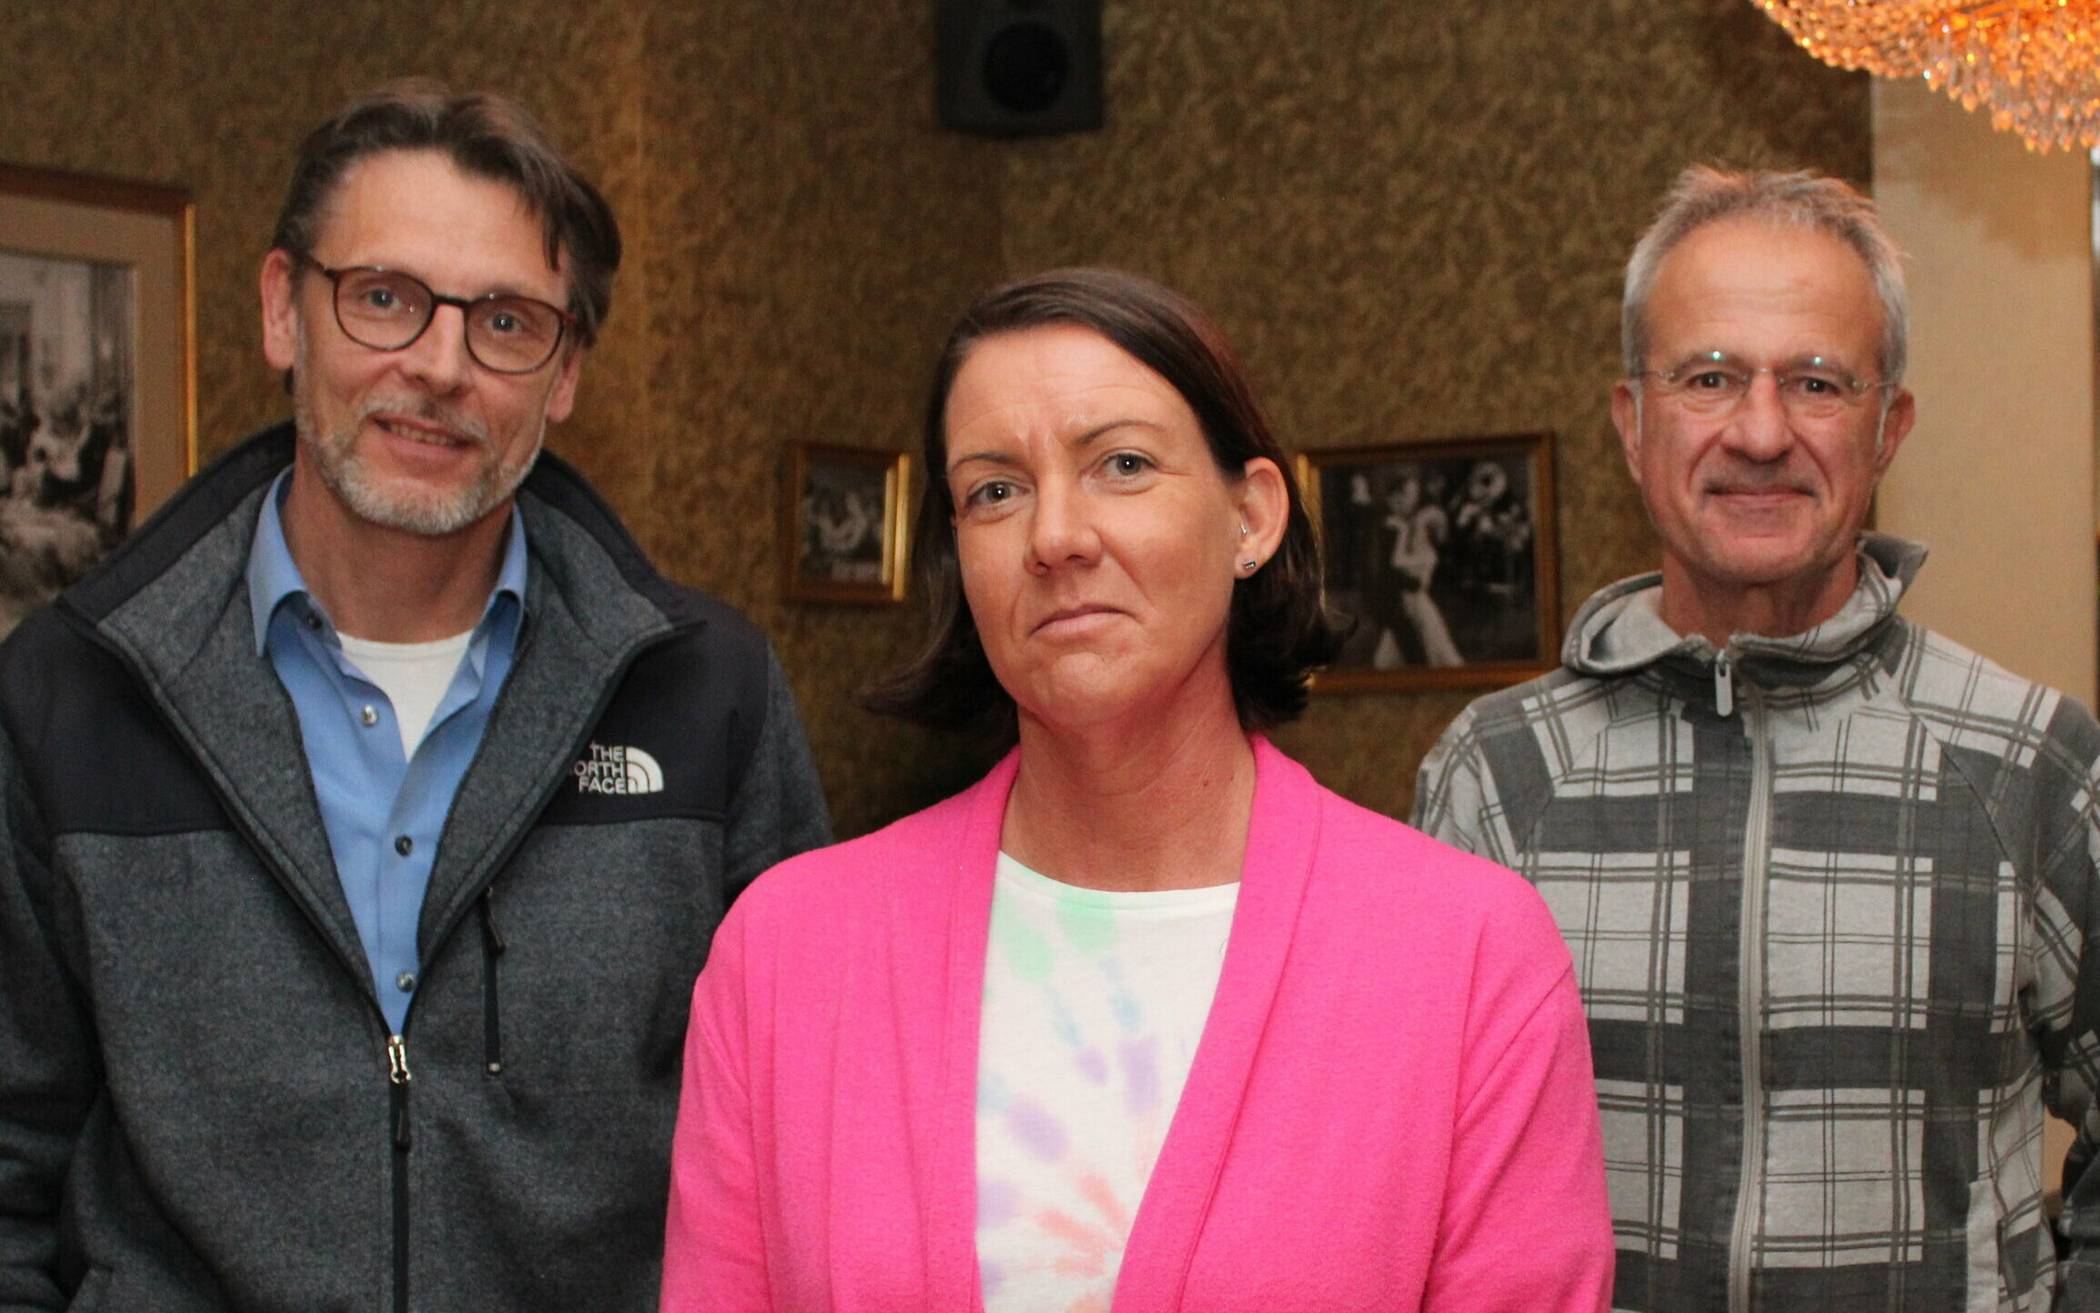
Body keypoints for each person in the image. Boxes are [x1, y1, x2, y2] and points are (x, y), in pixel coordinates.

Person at [0, 81, 831, 1312]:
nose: (439, 367)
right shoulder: (68, 695)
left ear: (563, 374)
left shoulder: (706, 695)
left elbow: (805, 1148)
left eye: (506, 322)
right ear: (286, 309)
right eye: (383, 299)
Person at [661, 267, 1614, 1311]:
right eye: (994, 488)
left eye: (1121, 463)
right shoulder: (789, 953)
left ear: (1250, 515)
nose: (1055, 535)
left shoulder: (1469, 956)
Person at [1414, 165, 2100, 1312]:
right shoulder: (1496, 774)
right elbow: (1417, 1164)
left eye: (1819, 382)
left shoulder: (2024, 758)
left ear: (1890, 428)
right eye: (1710, 376)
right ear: (1633, 424)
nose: (1762, 429)